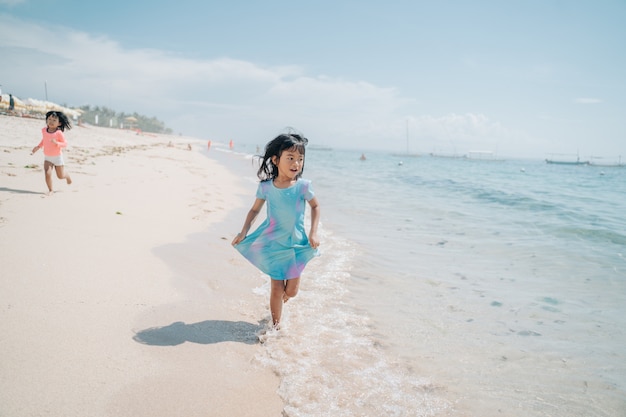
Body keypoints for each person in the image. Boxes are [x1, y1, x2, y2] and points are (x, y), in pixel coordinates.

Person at [232, 131, 321, 328]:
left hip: (297, 244)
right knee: (276, 287)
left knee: (291, 291)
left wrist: (313, 233)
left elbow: (315, 207)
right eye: (290, 158)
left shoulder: (303, 186)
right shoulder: (266, 187)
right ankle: (275, 326)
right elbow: (254, 210)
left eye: (300, 159)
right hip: (274, 243)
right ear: (275, 160)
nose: (296, 163)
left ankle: (282, 301)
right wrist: (243, 231)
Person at [31, 111, 73, 195]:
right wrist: (38, 147)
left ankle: (67, 176)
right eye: (49, 119)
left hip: (57, 157)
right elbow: (44, 140)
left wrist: (57, 143)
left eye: (54, 120)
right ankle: (51, 190)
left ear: (59, 123)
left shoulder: (59, 133)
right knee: (47, 173)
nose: (51, 121)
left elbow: (65, 144)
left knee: (60, 176)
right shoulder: (44, 130)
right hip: (47, 157)